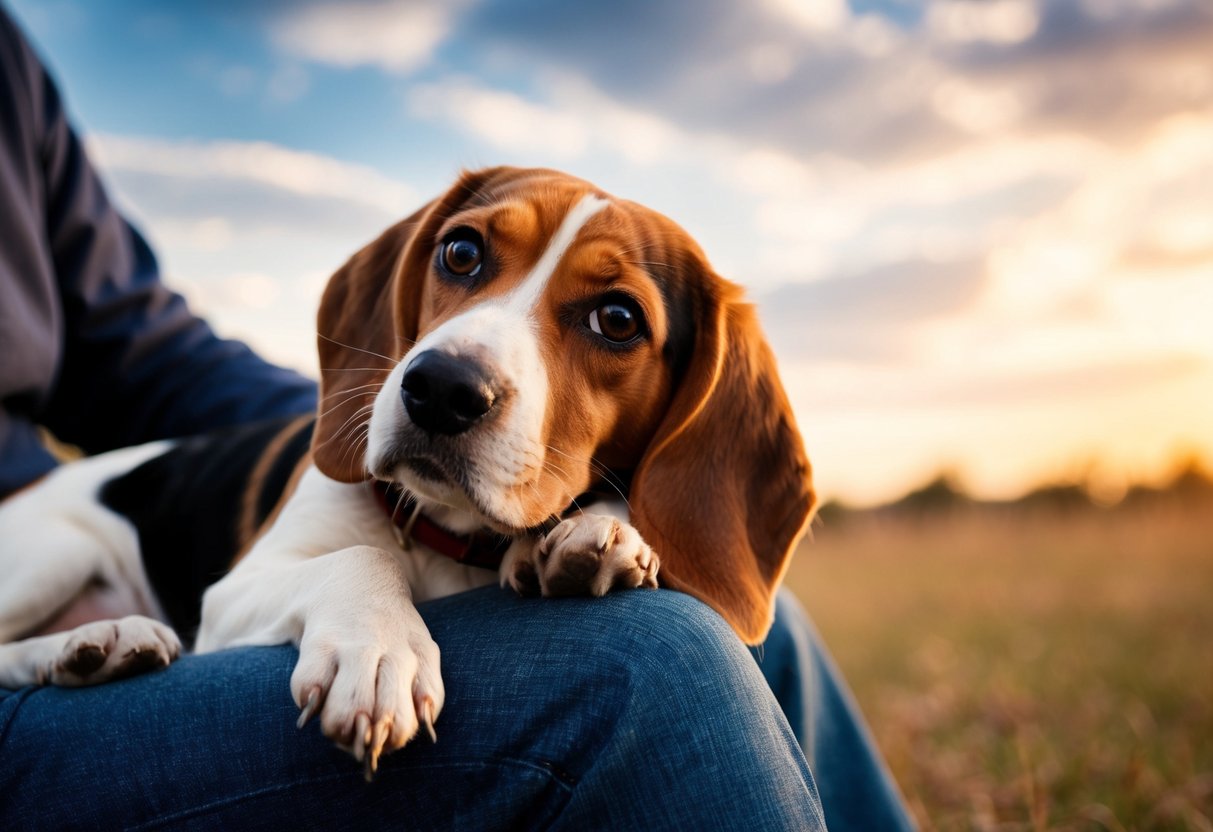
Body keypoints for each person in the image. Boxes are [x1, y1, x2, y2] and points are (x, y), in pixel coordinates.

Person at [0, 8, 914, 830]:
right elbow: (233, 606)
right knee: (661, 659)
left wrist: (371, 415)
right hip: (75, 581)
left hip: (133, 623)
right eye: (467, 256)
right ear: (405, 290)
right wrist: (353, 577)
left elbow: (138, 352)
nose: (458, 366)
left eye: (613, 319)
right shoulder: (328, 519)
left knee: (756, 619)